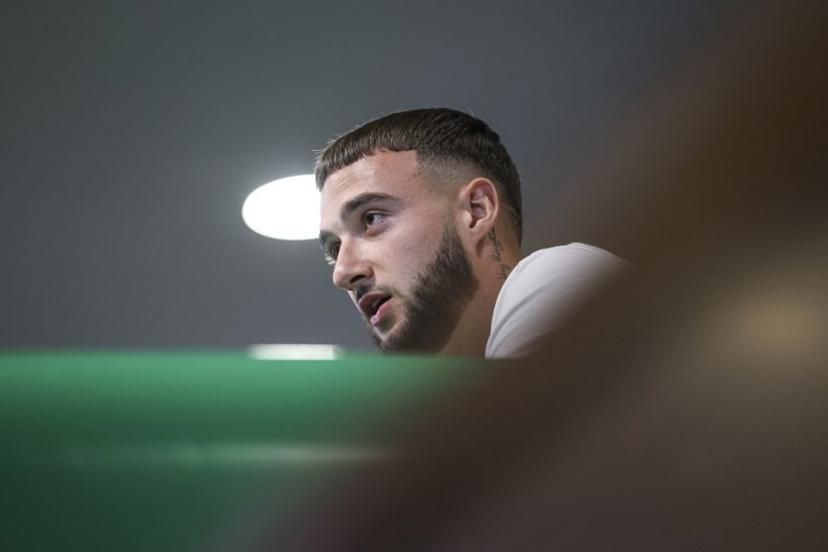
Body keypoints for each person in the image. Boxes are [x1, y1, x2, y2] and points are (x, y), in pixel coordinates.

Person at [316, 108, 625, 358]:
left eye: (371, 218)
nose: (342, 273)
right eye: (334, 249)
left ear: (477, 210)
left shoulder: (565, 276)